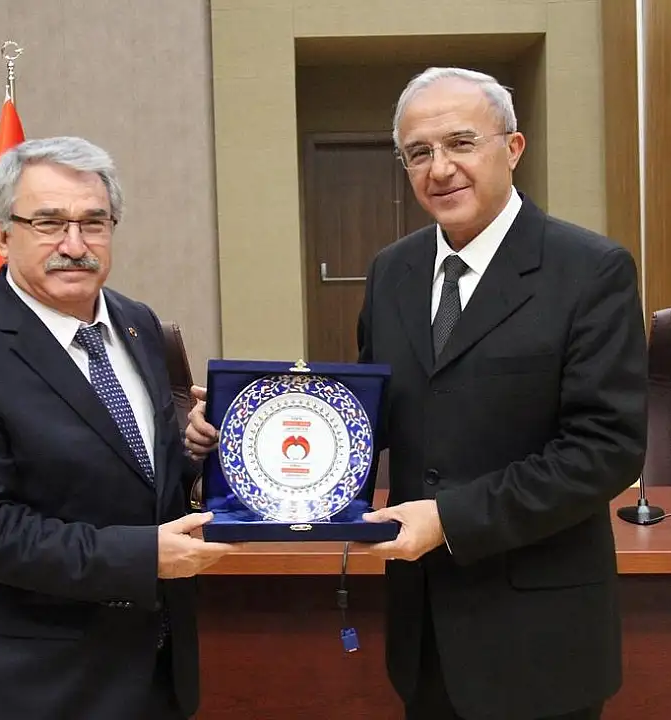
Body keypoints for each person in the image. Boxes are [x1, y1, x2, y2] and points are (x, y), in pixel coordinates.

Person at [185, 67, 646, 720]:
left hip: (539, 636)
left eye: (461, 143)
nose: (440, 169)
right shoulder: (392, 270)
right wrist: (245, 428)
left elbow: (605, 450)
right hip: (423, 631)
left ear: (513, 148)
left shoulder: (590, 270)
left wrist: (450, 519)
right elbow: (373, 417)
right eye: (419, 153)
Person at [0, 136, 233, 720]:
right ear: (3, 235)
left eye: (93, 223)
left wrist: (195, 449)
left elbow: (140, 472)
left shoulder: (137, 324)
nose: (74, 245)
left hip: (156, 673)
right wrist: (141, 556)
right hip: (36, 688)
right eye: (49, 223)